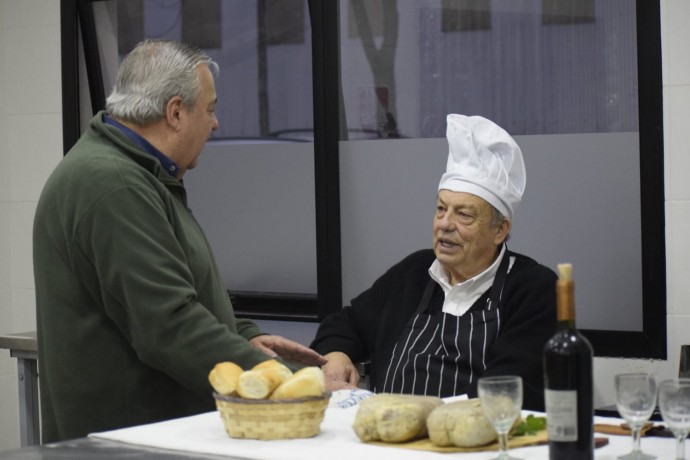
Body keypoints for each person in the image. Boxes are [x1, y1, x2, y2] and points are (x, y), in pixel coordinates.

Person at [33, 39, 325, 443]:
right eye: (210, 109)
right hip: (127, 441)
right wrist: (297, 385)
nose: (215, 123)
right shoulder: (114, 185)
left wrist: (242, 335)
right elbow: (169, 326)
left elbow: (175, 294)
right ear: (174, 113)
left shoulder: (138, 175)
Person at [310, 114, 557, 411]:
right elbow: (346, 323)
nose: (445, 224)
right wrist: (336, 353)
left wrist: (427, 415)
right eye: (441, 209)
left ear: (500, 229)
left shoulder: (533, 288)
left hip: (476, 442)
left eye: (463, 214)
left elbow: (510, 387)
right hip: (388, 439)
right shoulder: (416, 272)